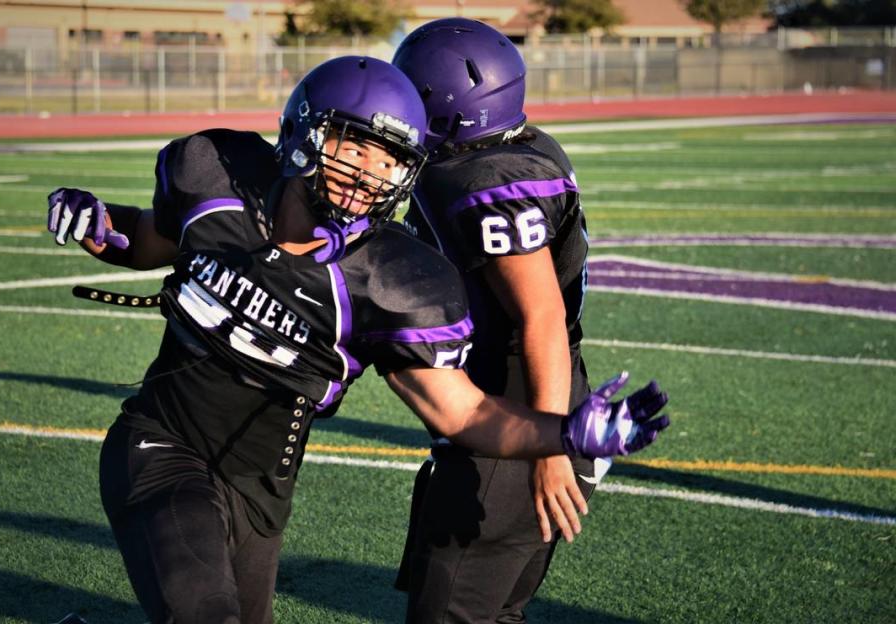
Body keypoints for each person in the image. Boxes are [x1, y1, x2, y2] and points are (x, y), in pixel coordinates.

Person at [46, 56, 669, 624]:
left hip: (261, 488)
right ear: (305, 131)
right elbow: (146, 239)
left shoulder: (390, 278)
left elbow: (463, 411)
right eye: (356, 144)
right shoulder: (217, 182)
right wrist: (97, 220)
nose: (371, 171)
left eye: (392, 158)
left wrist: (561, 433)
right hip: (161, 444)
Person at [392, 19, 611, 623]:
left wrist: (549, 448)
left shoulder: (484, 181)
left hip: (517, 427)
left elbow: (541, 315)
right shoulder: (522, 147)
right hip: (537, 405)